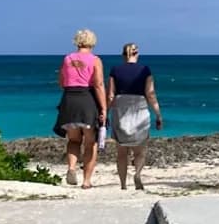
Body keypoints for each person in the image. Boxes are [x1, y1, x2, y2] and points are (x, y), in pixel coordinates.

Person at [53, 29, 107, 189]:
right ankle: (86, 181)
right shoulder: (95, 60)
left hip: (69, 100)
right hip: (86, 100)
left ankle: (71, 168)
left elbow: (62, 82)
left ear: (77, 41)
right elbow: (98, 84)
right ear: (93, 42)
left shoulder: (67, 59)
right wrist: (103, 108)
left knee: (74, 140)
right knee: (91, 142)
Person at [107, 42, 163, 190]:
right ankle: (137, 173)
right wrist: (158, 114)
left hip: (120, 109)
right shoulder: (145, 70)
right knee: (140, 149)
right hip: (139, 107)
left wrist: (104, 113)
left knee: (121, 152)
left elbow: (111, 95)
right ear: (136, 54)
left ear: (123, 55)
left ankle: (123, 185)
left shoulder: (115, 70)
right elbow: (150, 94)